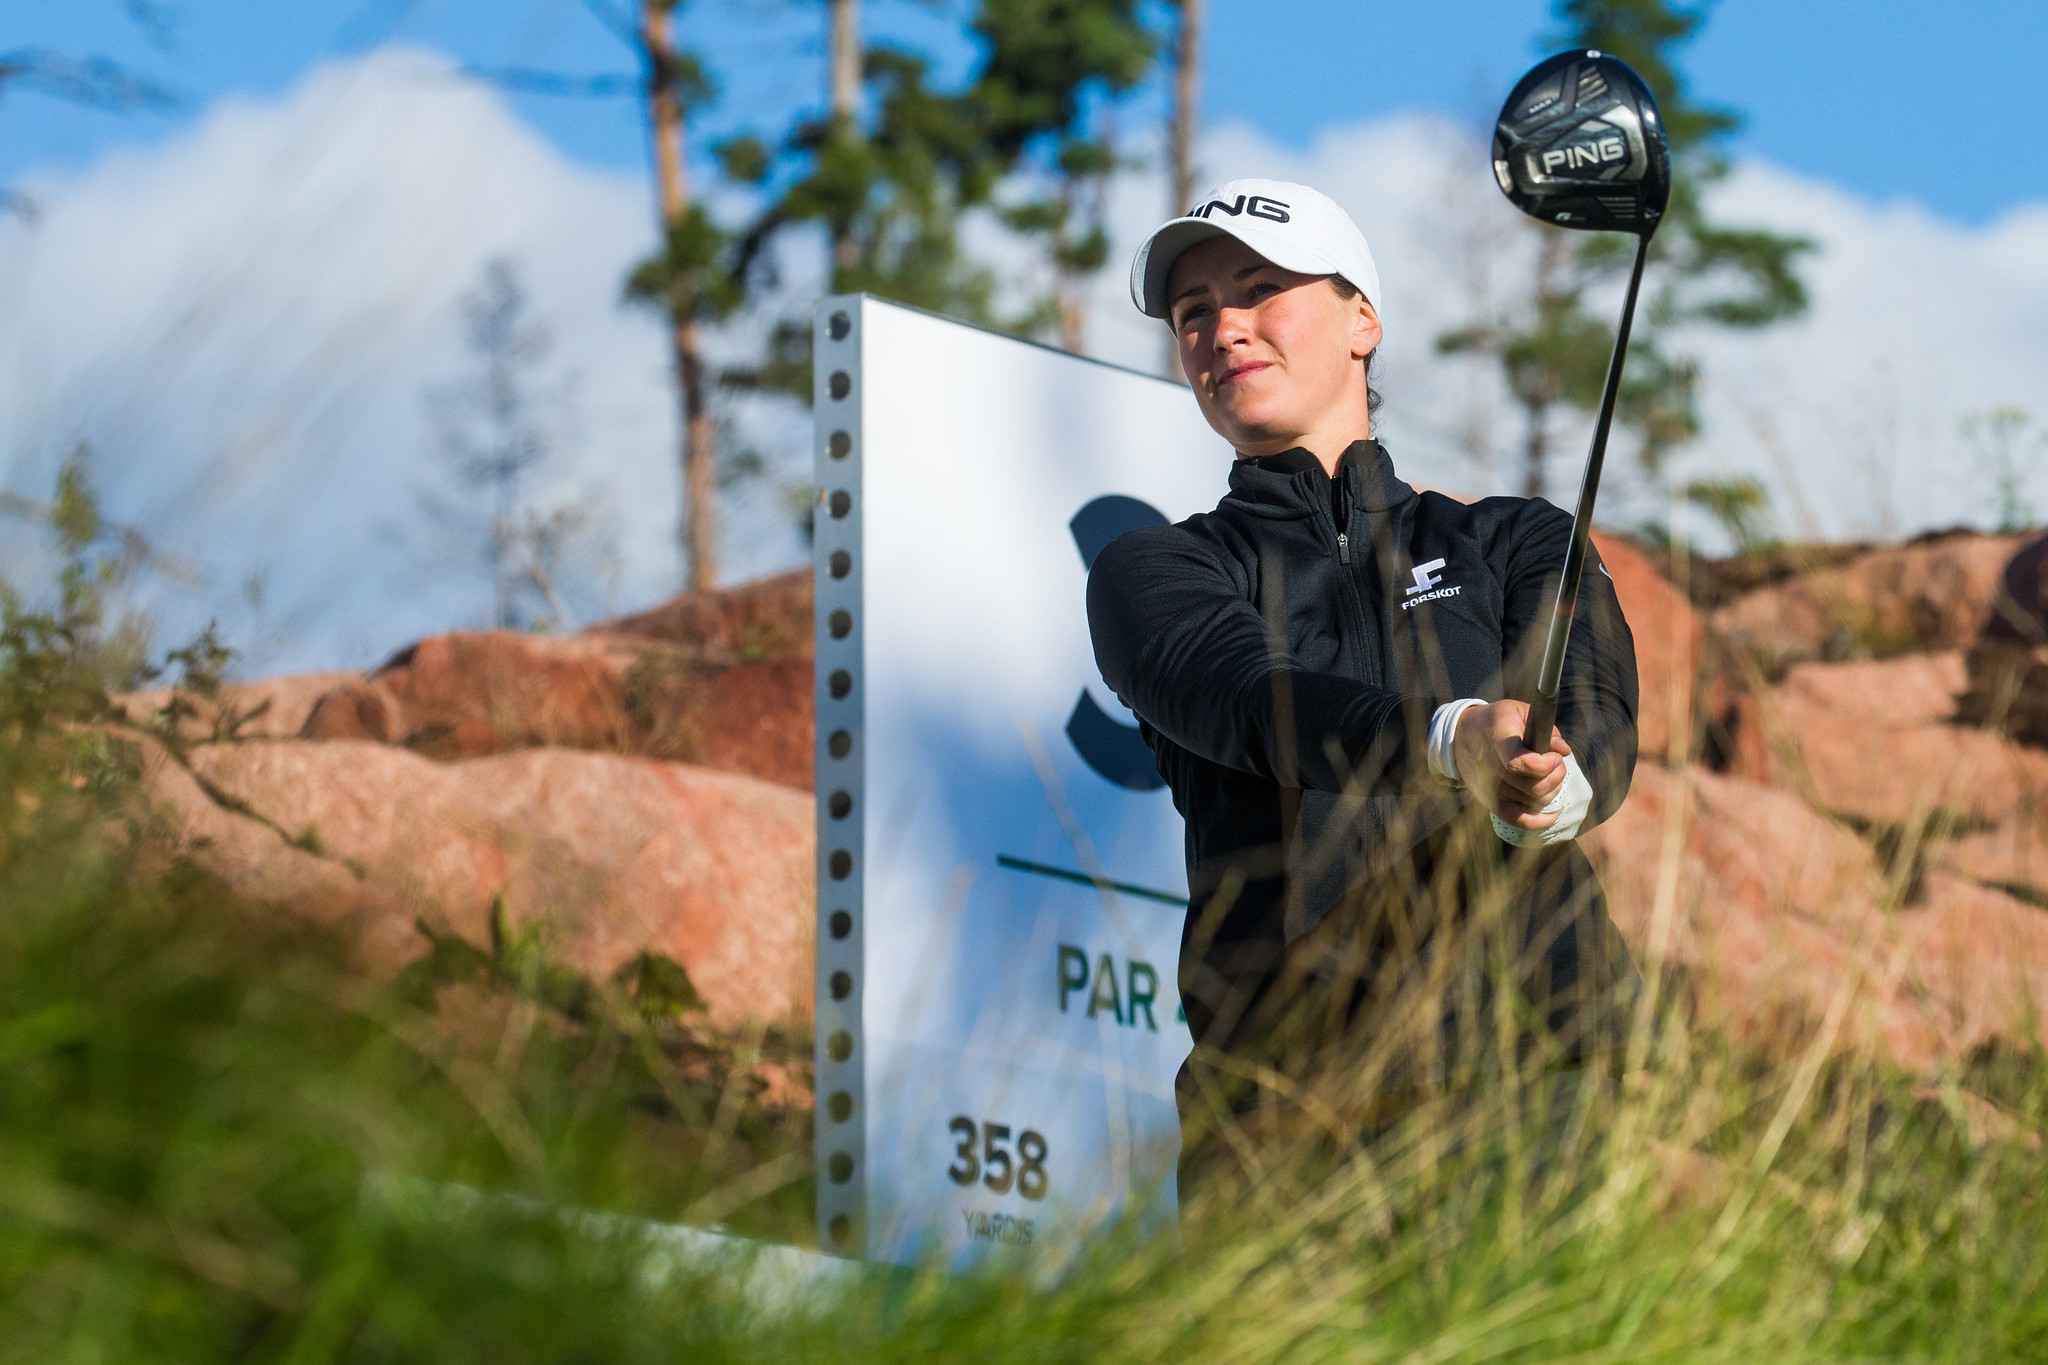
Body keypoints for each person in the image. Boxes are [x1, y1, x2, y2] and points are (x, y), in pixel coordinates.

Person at [1086, 178, 1641, 1145]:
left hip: (1539, 1081)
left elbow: (1595, 716)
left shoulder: (1516, 540)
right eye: (1194, 312)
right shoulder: (1155, 569)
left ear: (1363, 321)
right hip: (1283, 1118)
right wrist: (1453, 736)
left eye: (1262, 290)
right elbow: (1258, 701)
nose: (1224, 328)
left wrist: (1557, 784)